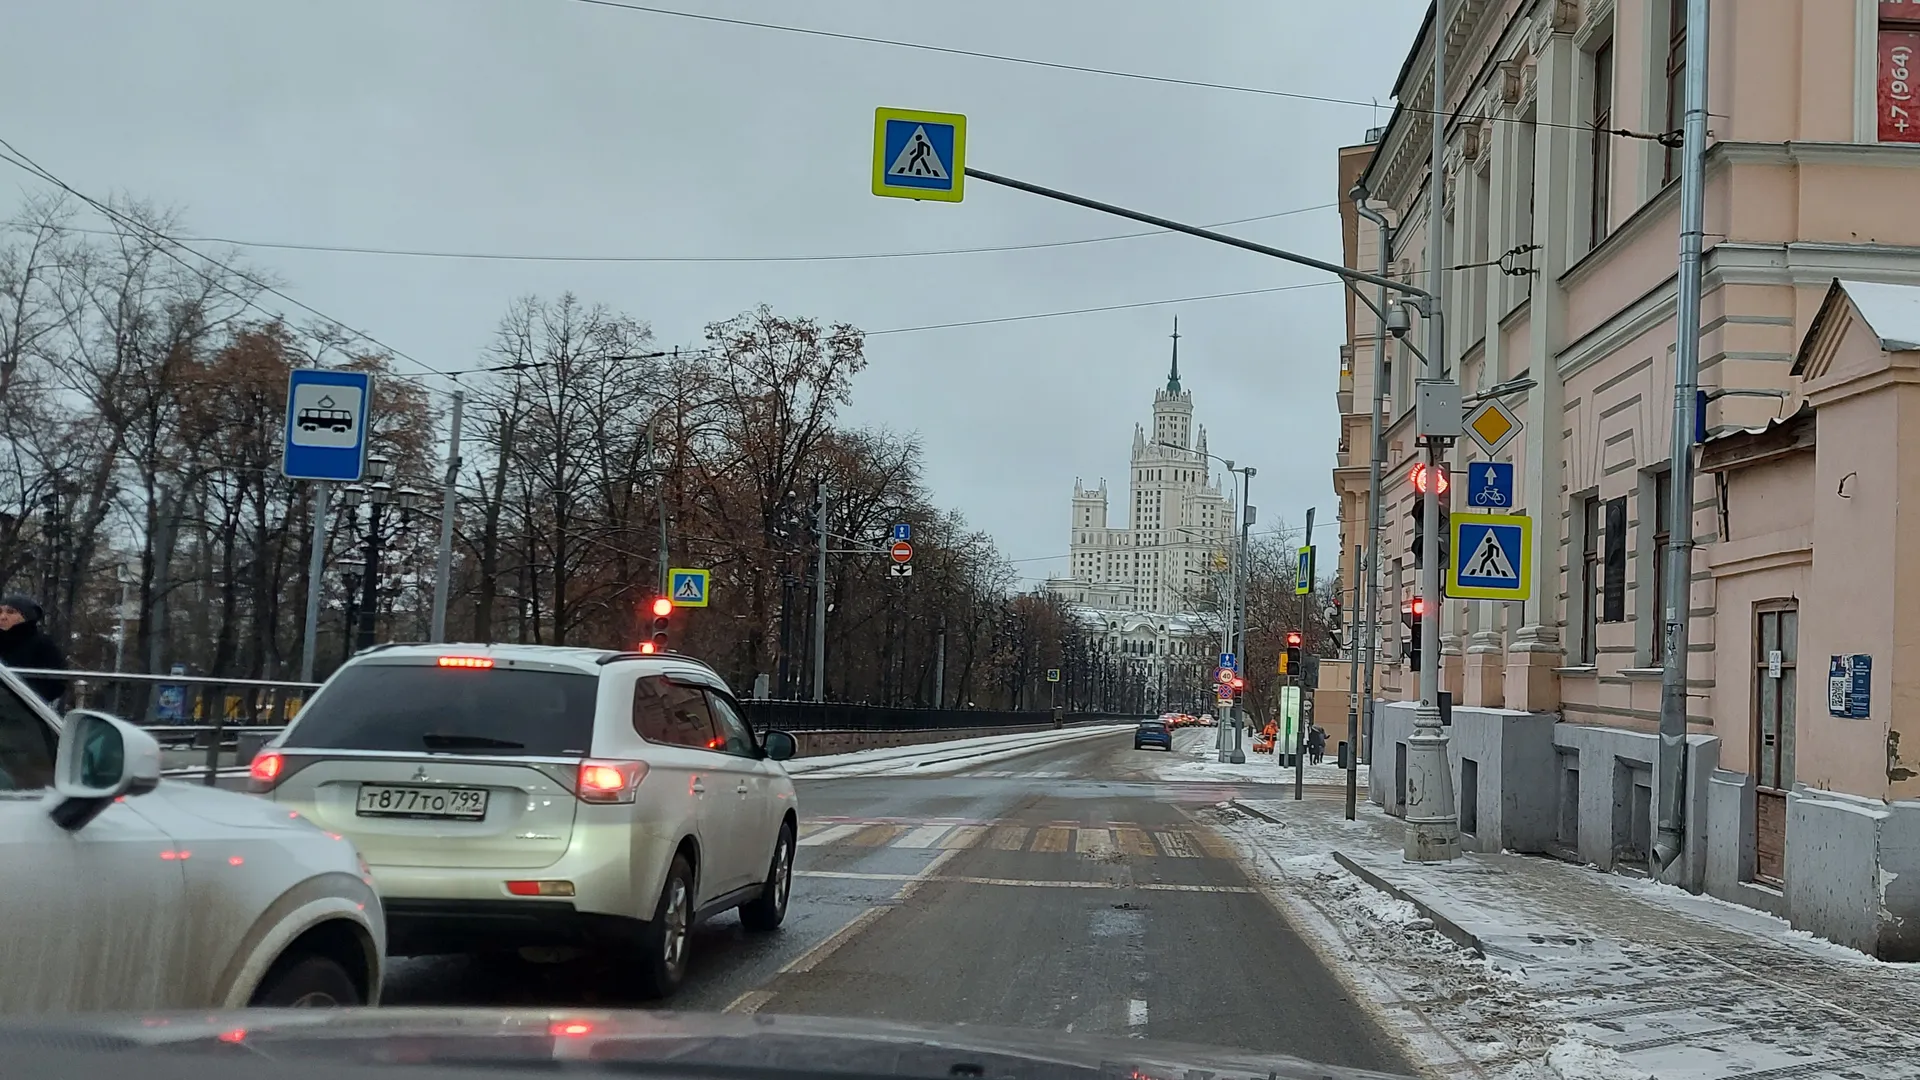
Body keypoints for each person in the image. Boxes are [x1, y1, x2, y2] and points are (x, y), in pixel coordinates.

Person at [0, 595, 69, 704]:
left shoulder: (42, 644)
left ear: (27, 616)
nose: (3, 617)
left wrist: (29, 698)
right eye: (0, 612)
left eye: (11, 612)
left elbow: (58, 681)